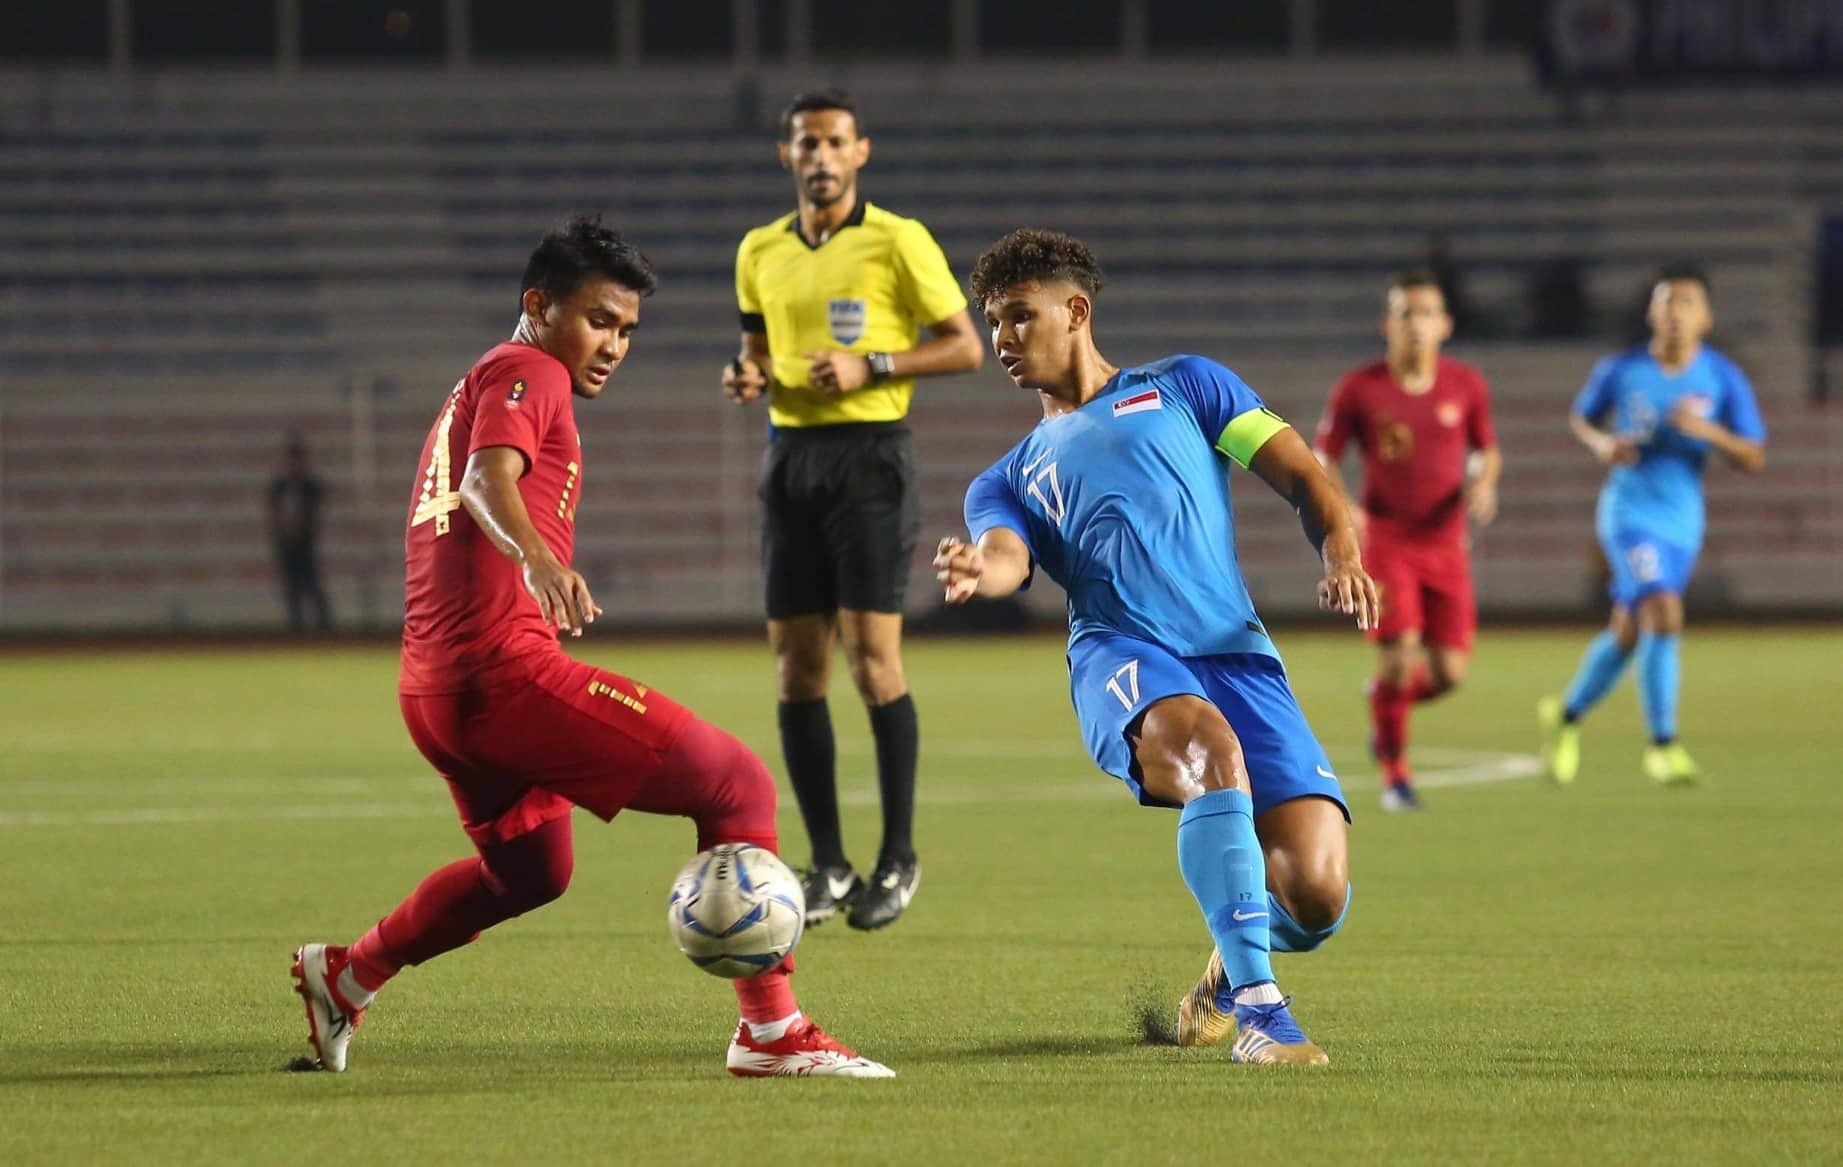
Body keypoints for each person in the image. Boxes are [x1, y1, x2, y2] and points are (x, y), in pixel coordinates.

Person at [290, 215, 891, 1079]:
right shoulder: (528, 368)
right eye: (599, 320)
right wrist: (537, 559)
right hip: (502, 676)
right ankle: (770, 1030)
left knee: (531, 872)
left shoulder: (486, 377)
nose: (614, 345)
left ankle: (348, 973)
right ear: (538, 305)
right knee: (737, 783)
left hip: (435, 691)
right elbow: (484, 479)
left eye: (627, 330)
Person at [933, 229, 1377, 1065]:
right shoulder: (1007, 477)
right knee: (1209, 751)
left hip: (1235, 653)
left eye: (1019, 315)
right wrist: (978, 572)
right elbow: (1006, 556)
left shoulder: (1187, 386)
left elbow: (1300, 474)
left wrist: (1341, 555)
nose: (1001, 338)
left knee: (1315, 895)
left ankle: (1222, 975)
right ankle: (1262, 1014)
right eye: (992, 321)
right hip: (1121, 655)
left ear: (1076, 310)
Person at [722, 89, 984, 931]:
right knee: (796, 670)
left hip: (870, 460)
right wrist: (748, 376)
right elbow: (756, 350)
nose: (822, 156)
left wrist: (870, 364)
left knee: (873, 662)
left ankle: (897, 856)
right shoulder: (759, 248)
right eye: (807, 143)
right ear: (786, 156)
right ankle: (829, 864)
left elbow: (965, 346)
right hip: (789, 460)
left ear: (860, 151)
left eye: (835, 141)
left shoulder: (897, 239)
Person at [1540, 263, 1766, 785]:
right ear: (1651, 313)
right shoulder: (1622, 370)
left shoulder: (1722, 377)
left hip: (1681, 522)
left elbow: (1754, 456)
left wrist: (1709, 432)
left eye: (1687, 303)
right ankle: (1663, 745)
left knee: (1628, 632)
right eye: (1666, 303)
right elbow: (1582, 418)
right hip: (1628, 513)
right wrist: (1602, 444)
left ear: (1706, 317)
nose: (1675, 313)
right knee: (1663, 611)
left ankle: (1567, 716)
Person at [1314, 270, 1501, 811]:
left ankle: (1383, 706)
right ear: (1387, 325)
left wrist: (1484, 483)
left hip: (1447, 544)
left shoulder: (1465, 385)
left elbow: (1485, 450)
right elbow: (1324, 454)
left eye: (1426, 314)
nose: (1415, 325)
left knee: (1449, 675)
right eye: (1405, 314)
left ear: (1445, 325)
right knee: (1399, 659)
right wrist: (1343, 505)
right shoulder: (1360, 388)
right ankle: (1396, 777)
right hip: (1388, 542)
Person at [268, 436, 331, 633]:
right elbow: (274, 514)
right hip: (286, 546)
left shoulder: (311, 487)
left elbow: (314, 514)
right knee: (291, 589)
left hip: (305, 545)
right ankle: (296, 629)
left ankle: (325, 628)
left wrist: (299, 528)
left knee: (311, 586)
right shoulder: (278, 487)